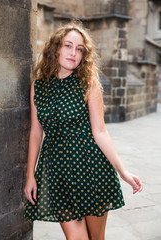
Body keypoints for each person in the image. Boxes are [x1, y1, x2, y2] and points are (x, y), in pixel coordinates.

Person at [24, 21, 143, 240]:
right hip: (57, 171)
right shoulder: (38, 87)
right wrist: (30, 175)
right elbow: (35, 132)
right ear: (56, 48)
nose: (73, 53)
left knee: (96, 238)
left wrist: (123, 171)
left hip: (91, 168)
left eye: (79, 49)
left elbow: (100, 132)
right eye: (68, 46)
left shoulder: (88, 83)